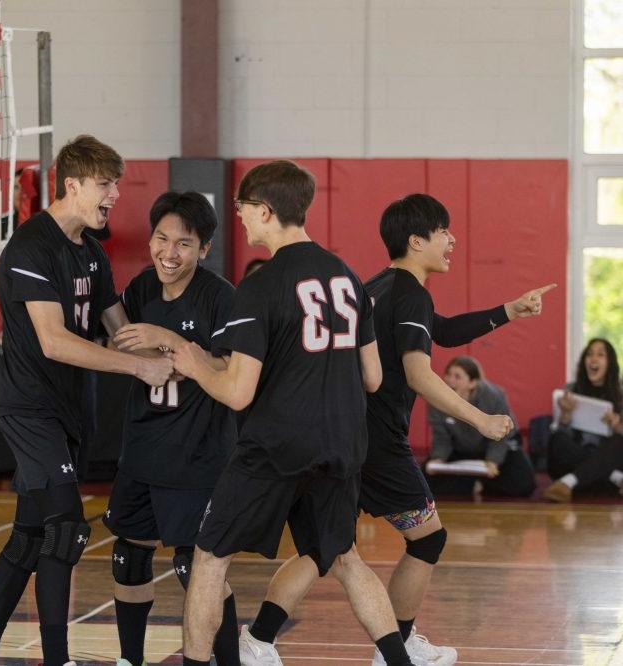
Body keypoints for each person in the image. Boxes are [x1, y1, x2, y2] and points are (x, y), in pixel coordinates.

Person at [238, 193, 554, 666]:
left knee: (326, 546)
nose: (452, 239)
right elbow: (419, 373)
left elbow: (441, 330)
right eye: (444, 231)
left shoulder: (380, 286)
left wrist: (509, 310)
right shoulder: (409, 293)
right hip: (377, 443)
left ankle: (258, 639)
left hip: (340, 435)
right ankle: (398, 645)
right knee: (427, 538)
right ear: (416, 240)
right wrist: (481, 419)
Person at [170, 160, 418, 666]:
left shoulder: (260, 286)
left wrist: (195, 364)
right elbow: (373, 378)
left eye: (241, 209)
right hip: (344, 444)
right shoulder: (348, 276)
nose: (238, 218)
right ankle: (400, 662)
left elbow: (238, 394)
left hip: (277, 445)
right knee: (346, 558)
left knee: (210, 558)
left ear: (265, 210)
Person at [0, 135, 173, 666]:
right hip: (28, 409)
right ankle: (57, 659)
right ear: (71, 184)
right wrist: (139, 367)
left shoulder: (92, 254)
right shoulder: (30, 248)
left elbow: (118, 329)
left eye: (116, 185)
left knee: (30, 537)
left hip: (69, 411)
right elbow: (54, 341)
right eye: (105, 184)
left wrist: (181, 353)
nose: (115, 195)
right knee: (66, 529)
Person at [104, 191, 238, 666]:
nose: (169, 252)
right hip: (141, 450)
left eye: (184, 243)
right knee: (129, 555)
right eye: (162, 238)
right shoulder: (140, 289)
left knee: (197, 566)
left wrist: (170, 342)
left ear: (204, 249)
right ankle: (129, 659)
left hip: (197, 456)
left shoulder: (220, 297)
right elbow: (115, 338)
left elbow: (232, 369)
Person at [426, 356, 536, 498]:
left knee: (525, 483)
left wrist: (493, 460)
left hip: (495, 447)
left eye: (457, 376)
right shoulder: (437, 400)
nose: (449, 380)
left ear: (472, 383)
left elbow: (502, 435)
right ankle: (475, 485)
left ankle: (477, 484)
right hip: (460, 450)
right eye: (448, 374)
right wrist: (438, 459)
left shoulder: (494, 396)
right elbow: (441, 437)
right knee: (425, 479)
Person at [543, 338, 623, 502]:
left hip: (608, 457)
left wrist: (617, 426)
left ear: (610, 363)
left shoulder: (620, 393)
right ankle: (615, 477)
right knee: (557, 438)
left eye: (600, 355)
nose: (593, 359)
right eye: (589, 354)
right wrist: (565, 416)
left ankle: (567, 483)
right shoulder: (571, 390)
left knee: (619, 440)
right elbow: (561, 433)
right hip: (576, 460)